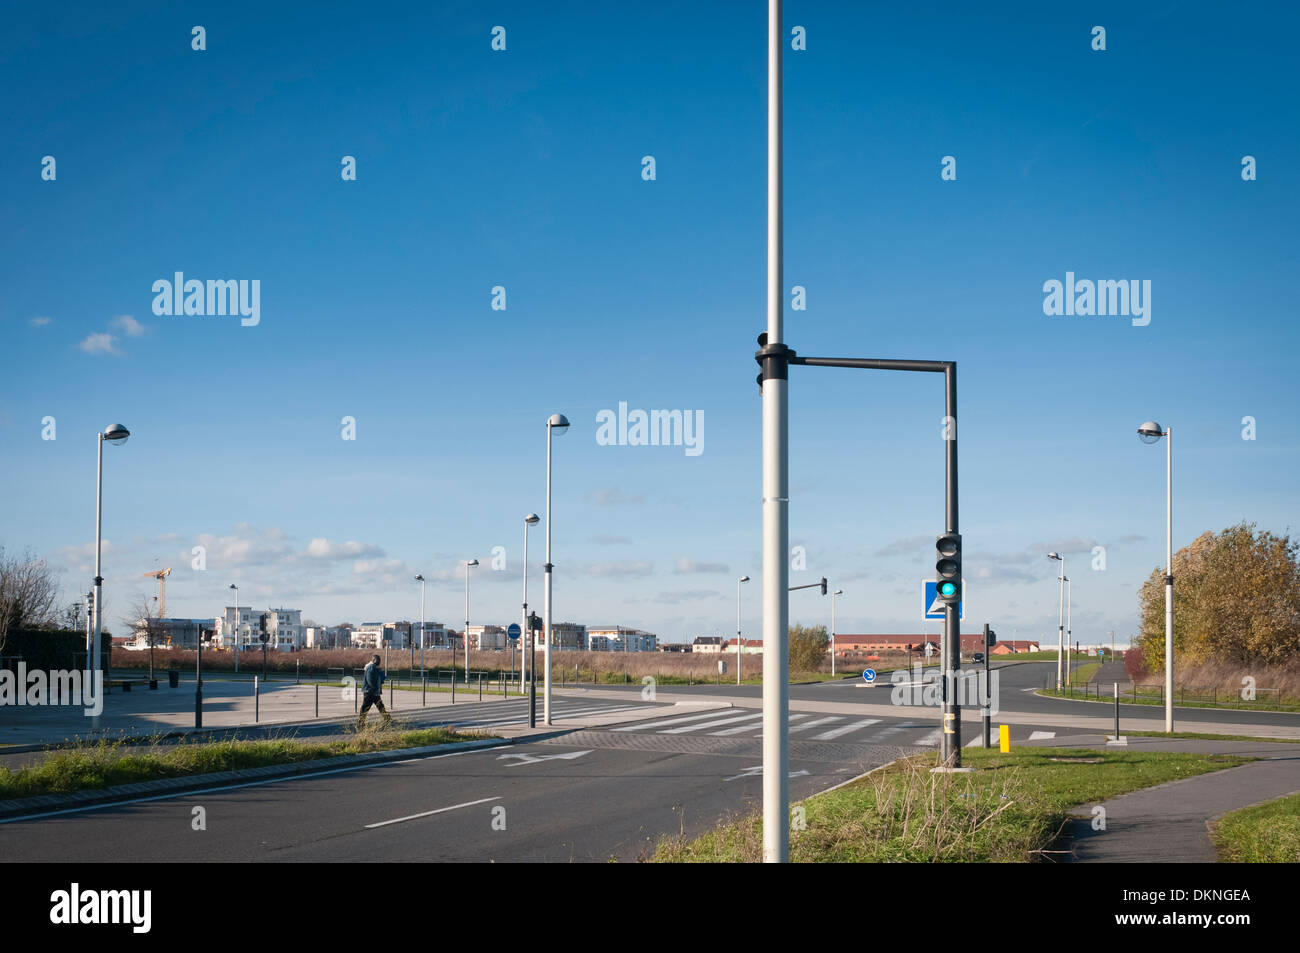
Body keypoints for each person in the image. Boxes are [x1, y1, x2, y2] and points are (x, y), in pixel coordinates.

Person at [358, 654, 391, 728]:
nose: (379, 662)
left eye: (379, 660)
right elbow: (370, 680)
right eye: (378, 660)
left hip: (374, 691)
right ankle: (360, 722)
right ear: (373, 660)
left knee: (380, 706)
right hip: (370, 692)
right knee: (366, 707)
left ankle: (388, 718)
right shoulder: (371, 668)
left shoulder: (375, 668)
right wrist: (375, 687)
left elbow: (377, 679)